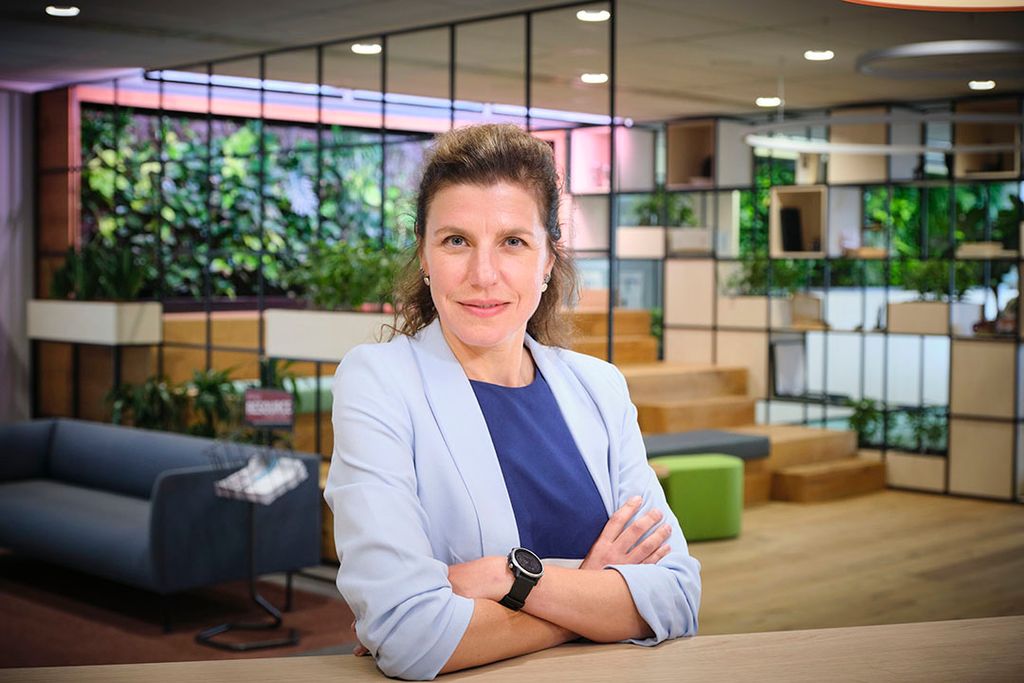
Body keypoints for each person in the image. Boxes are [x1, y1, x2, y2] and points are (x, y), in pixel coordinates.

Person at [324, 123, 701, 680]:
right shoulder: (379, 381)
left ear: (548, 260)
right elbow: (409, 634)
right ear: (424, 254)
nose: (483, 275)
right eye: (456, 241)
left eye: (513, 242)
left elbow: (675, 598)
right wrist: (592, 591)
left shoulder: (599, 387)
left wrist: (505, 578)